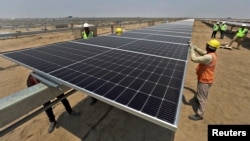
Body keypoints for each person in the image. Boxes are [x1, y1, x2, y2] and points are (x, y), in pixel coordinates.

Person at [188, 39, 220, 121]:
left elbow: (194, 59)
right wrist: (194, 47)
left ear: (208, 46)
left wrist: (191, 50)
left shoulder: (209, 57)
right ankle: (197, 99)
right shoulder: (212, 54)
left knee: (203, 99)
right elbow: (202, 52)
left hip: (205, 80)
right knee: (200, 92)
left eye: (207, 44)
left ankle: (199, 115)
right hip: (204, 78)